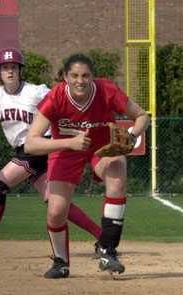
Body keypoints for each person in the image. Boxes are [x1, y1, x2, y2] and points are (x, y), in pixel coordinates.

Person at [0, 47, 103, 257]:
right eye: (5, 67)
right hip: (26, 151)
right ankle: (103, 237)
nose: (10, 71)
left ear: (21, 71)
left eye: (14, 67)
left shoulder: (35, 91)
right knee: (55, 203)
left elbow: (63, 99)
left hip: (40, 146)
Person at [25, 53, 150, 278]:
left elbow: (141, 116)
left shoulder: (106, 90)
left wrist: (132, 135)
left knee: (117, 182)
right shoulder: (55, 98)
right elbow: (31, 144)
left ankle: (108, 251)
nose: (79, 81)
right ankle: (61, 262)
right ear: (65, 77)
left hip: (102, 146)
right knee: (55, 211)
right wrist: (69, 142)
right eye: (74, 75)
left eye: (85, 75)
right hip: (66, 149)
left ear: (93, 76)